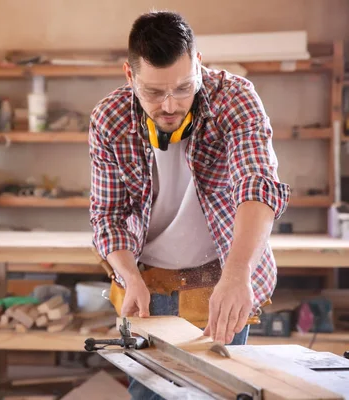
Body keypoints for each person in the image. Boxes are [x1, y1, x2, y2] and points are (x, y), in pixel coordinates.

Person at [88, 10, 290, 399]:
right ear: (129, 77)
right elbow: (108, 215)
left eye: (183, 88)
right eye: (153, 92)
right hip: (147, 283)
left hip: (224, 279)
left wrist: (237, 275)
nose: (169, 105)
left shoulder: (236, 98)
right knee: (149, 395)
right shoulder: (108, 120)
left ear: (198, 64)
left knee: (221, 391)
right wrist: (129, 276)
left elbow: (258, 187)